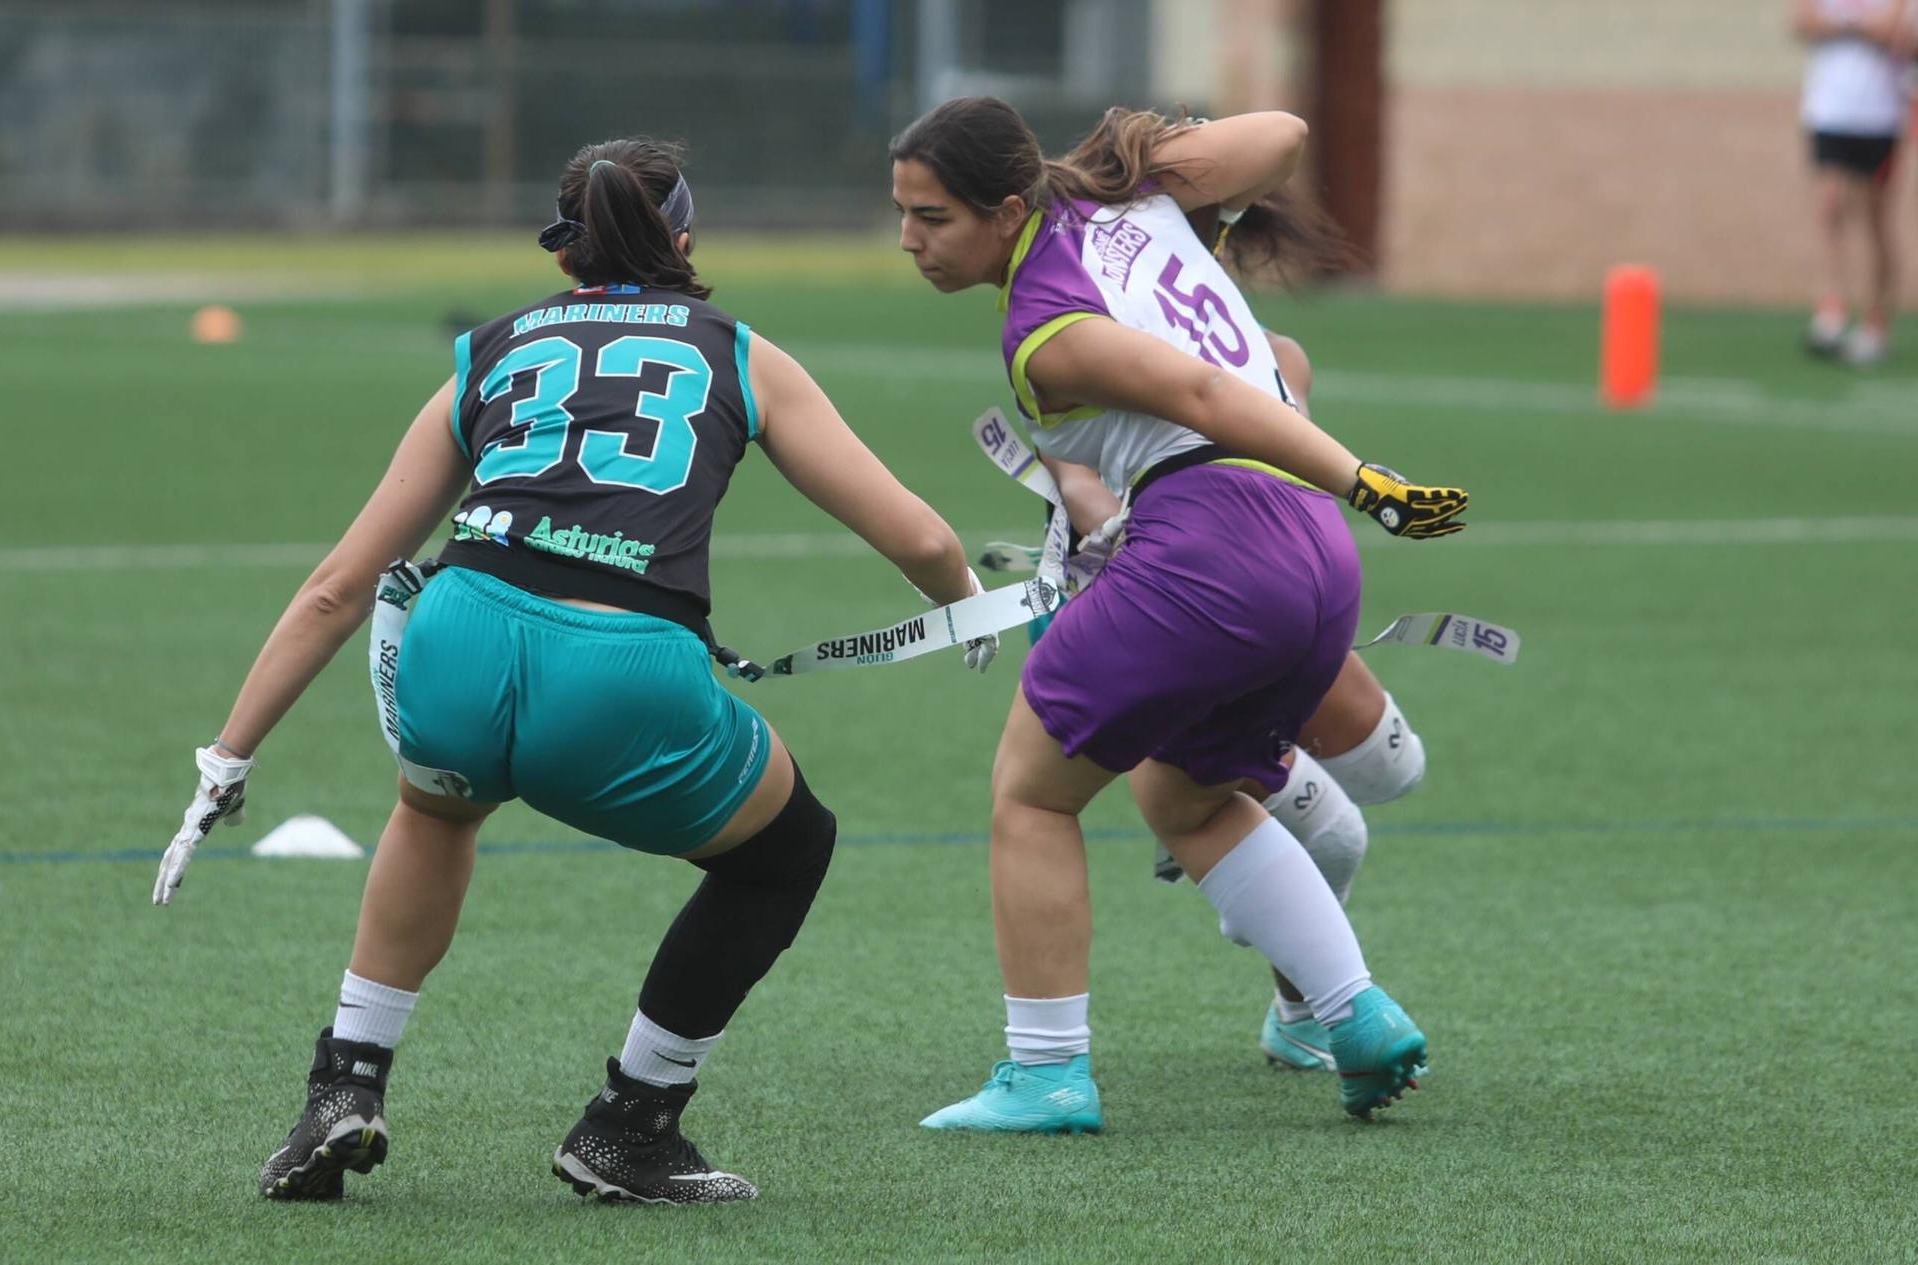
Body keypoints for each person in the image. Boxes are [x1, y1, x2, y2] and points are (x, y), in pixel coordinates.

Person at [151, 138, 991, 1204]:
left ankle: (343, 1083)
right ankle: (630, 1123)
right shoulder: (736, 349)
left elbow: (336, 585)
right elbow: (916, 537)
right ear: (683, 240)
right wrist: (961, 590)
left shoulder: (490, 349)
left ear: (564, 251)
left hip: (454, 635)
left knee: (436, 811)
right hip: (620, 665)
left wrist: (228, 755)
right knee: (786, 849)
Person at [888, 97, 1468, 1131]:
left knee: (1030, 790)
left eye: (931, 216)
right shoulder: (1133, 200)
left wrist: (1365, 479)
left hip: (1217, 543)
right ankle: (1354, 1015)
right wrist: (1135, 160)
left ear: (1006, 206)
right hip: (1311, 556)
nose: (908, 240)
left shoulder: (1042, 331)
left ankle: (1045, 1073)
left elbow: (1200, 395)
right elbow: (1286, 132)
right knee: (1187, 797)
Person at [1031, 325, 1426, 1077]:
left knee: (1395, 768)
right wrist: (1112, 527)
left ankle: (1243, 783)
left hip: (1279, 592)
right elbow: (1077, 480)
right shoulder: (1078, 359)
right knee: (1333, 838)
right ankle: (1310, 1014)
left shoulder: (1273, 354)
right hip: (1168, 612)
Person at [1794, 0, 1916, 364]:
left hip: (1880, 118)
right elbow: (1805, 22)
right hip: (1829, 112)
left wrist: (1845, 24)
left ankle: (1876, 324)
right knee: (1830, 206)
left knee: (1875, 220)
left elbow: (1896, 35)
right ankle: (1832, 309)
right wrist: (1862, 24)